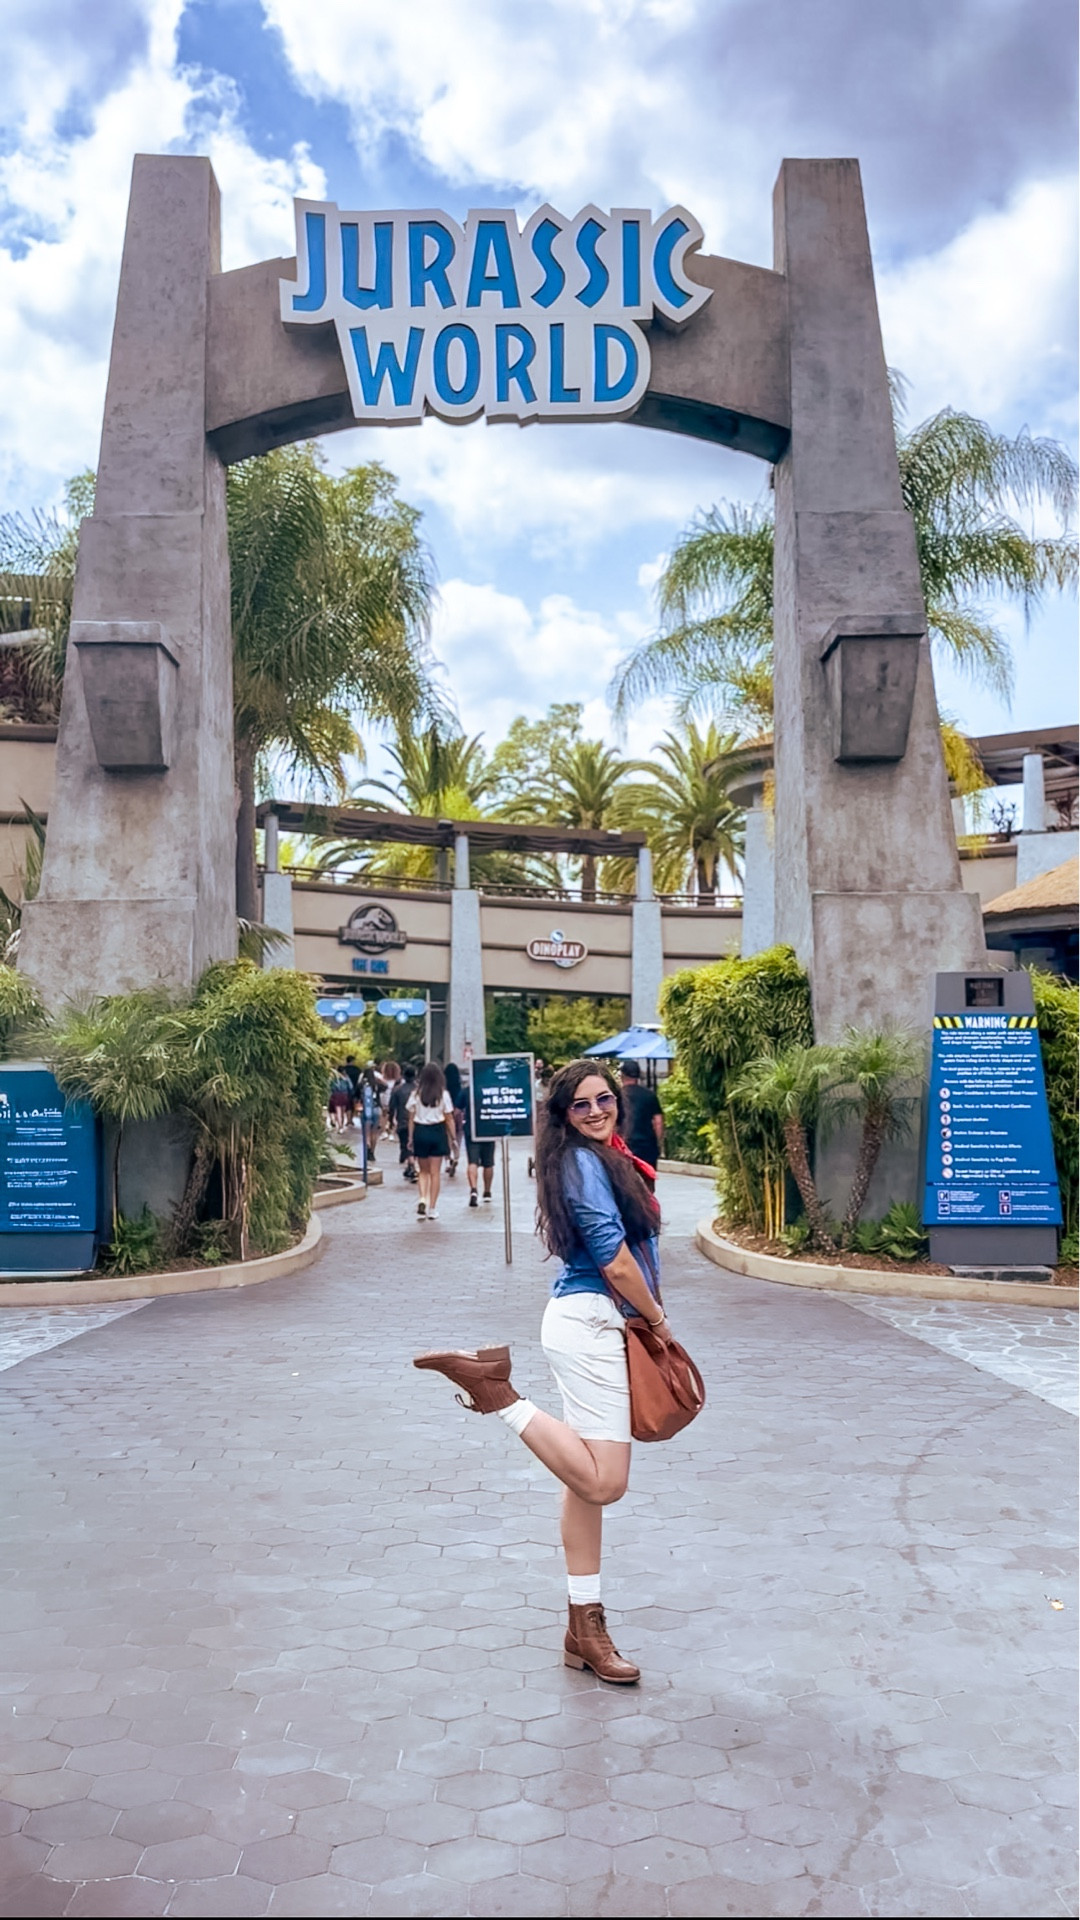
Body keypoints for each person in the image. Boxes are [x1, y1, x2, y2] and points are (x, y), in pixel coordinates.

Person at [414, 1059, 673, 1684]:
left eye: (602, 1099)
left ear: (618, 1101)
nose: (594, 1111)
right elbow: (612, 1260)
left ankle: (584, 1628)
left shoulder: (608, 1156)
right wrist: (658, 1321)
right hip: (592, 1323)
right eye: (579, 1105)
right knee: (607, 1483)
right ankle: (495, 1391)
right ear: (561, 1116)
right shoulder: (585, 1163)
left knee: (584, 1483)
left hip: (589, 1322)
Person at [406, 1062, 456, 1220]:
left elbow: (411, 1117)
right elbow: (449, 1118)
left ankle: (422, 1199)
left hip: (420, 1131)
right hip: (437, 1131)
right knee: (435, 1173)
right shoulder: (443, 1094)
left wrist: (410, 1137)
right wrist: (453, 1138)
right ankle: (432, 1208)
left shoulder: (416, 1094)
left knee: (423, 1171)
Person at [618, 1058, 664, 1172]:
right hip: (648, 1146)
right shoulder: (649, 1095)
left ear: (622, 1075)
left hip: (625, 1145)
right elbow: (658, 1122)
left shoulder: (618, 1096)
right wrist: (658, 1142)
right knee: (648, 1181)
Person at [389, 1065, 417, 1180]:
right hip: (417, 1121)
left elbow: (392, 1107)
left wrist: (391, 1121)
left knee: (405, 1144)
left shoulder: (397, 1090)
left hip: (403, 1121)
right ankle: (411, 1165)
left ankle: (411, 1166)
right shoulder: (419, 1089)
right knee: (413, 1145)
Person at [444, 1062, 466, 1178]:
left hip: (446, 1116)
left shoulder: (444, 1090)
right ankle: (456, 1156)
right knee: (457, 1138)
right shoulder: (460, 1089)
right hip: (458, 1116)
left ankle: (448, 1160)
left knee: (447, 1138)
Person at [327, 1064, 353, 1135]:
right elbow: (351, 1087)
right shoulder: (346, 1078)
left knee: (338, 1111)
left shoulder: (334, 1078)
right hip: (345, 1095)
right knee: (343, 1111)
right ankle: (341, 1126)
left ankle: (340, 1126)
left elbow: (329, 1086)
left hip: (336, 1095)